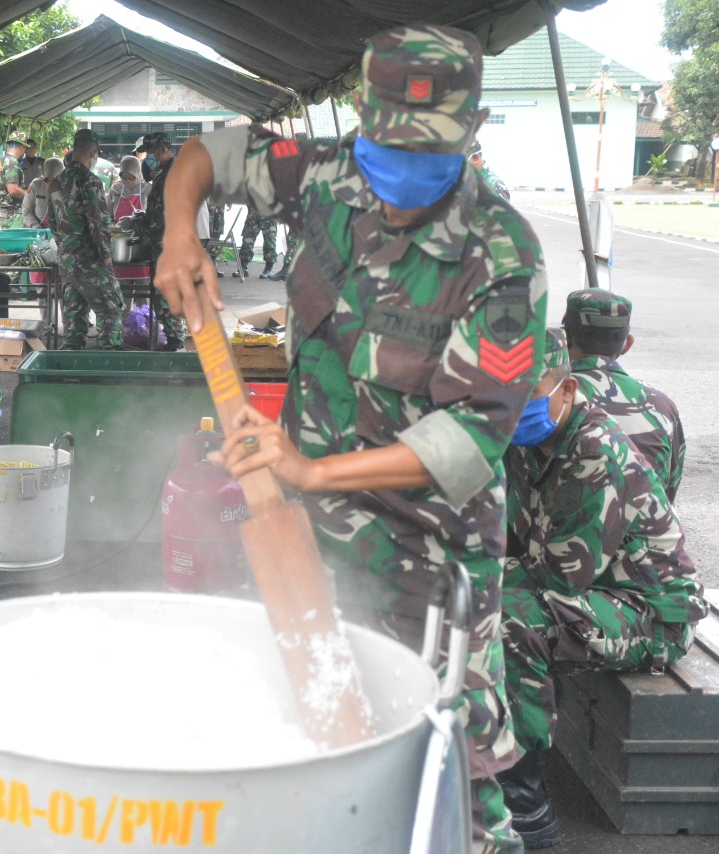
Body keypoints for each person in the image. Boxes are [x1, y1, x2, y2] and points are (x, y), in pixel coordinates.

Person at [154, 25, 549, 854]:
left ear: (471, 137)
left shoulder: (501, 256)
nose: (400, 182)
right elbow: (205, 155)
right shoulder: (328, 174)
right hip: (307, 532)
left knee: (451, 769)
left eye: (428, 158)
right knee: (319, 733)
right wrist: (177, 231)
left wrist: (311, 465)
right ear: (361, 127)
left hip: (431, 553)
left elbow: (472, 440)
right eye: (387, 152)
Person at [499, 328, 704, 848]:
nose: (514, 408)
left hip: (649, 612)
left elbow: (559, 578)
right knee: (473, 591)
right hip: (596, 592)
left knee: (511, 616)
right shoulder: (527, 437)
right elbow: (506, 535)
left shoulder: (592, 449)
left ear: (567, 390)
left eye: (531, 394)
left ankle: (527, 812)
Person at [562, 288, 685, 501]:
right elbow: (669, 491)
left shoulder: (550, 398)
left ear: (565, 338)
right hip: (647, 529)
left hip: (567, 531)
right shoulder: (662, 405)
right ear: (627, 344)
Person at [48, 133, 125, 350]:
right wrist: (107, 256)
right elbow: (98, 223)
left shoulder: (56, 182)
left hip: (67, 261)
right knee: (111, 308)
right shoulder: (90, 181)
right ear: (93, 153)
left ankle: (72, 366)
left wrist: (65, 246)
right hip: (90, 260)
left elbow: (52, 222)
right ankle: (110, 360)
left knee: (74, 317)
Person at [135, 131, 191, 352]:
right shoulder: (165, 172)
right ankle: (174, 336)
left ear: (162, 149)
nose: (150, 157)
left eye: (151, 152)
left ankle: (176, 339)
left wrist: (143, 225)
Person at [234, 208, 279, 279]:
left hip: (269, 213)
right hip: (253, 214)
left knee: (269, 242)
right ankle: (243, 268)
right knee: (247, 241)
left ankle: (268, 270)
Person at [22, 156, 64, 228]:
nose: (50, 184)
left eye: (54, 181)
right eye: (47, 180)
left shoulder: (68, 189)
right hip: (35, 229)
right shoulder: (35, 185)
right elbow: (26, 211)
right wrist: (36, 227)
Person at [0, 135, 27, 228]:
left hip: (5, 212)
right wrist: (30, 196)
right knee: (17, 242)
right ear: (22, 147)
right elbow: (13, 189)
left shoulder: (3, 160)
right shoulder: (12, 162)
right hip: (13, 215)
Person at [107, 155, 148, 221]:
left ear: (137, 174)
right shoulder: (115, 188)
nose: (127, 181)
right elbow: (109, 213)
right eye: (124, 178)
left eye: (131, 178)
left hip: (140, 229)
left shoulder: (147, 187)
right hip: (118, 228)